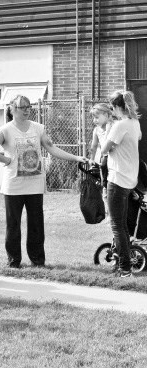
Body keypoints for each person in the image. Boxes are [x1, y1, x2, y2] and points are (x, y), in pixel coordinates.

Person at [0, 95, 87, 268]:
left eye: (28, 107)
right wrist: (7, 160)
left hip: (35, 184)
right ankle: (14, 261)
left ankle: (38, 261)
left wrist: (76, 158)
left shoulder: (38, 128)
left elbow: (52, 148)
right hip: (13, 186)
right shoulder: (6, 130)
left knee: (36, 225)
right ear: (13, 109)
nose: (26, 110)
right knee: (13, 225)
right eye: (22, 107)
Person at [101, 90, 142, 278]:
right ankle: (122, 263)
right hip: (129, 179)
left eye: (112, 108)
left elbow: (104, 150)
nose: (112, 111)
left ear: (117, 107)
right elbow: (136, 139)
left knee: (117, 226)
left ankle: (124, 268)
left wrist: (109, 129)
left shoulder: (119, 125)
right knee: (123, 226)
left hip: (117, 180)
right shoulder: (135, 123)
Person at [89, 103, 115, 200]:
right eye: (93, 118)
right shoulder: (96, 130)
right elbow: (94, 145)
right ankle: (105, 186)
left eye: (97, 117)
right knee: (103, 166)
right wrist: (92, 158)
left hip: (115, 154)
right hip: (105, 155)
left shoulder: (114, 126)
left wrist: (108, 128)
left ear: (106, 115)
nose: (94, 120)